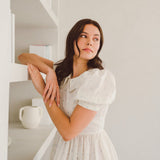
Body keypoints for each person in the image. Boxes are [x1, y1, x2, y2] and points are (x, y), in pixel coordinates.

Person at [18, 18, 119, 160]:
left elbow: (68, 132)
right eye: (84, 36)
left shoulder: (98, 79)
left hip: (90, 151)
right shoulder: (64, 72)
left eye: (96, 39)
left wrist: (43, 91)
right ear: (73, 40)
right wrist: (49, 71)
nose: (90, 42)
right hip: (63, 149)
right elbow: (24, 57)